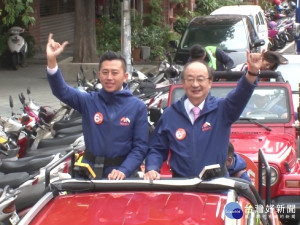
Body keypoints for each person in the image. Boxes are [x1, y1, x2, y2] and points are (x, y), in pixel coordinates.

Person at [144, 50, 263, 180]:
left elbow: (241, 94)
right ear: (183, 83)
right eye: (190, 79)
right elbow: (157, 148)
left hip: (217, 186)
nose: (195, 84)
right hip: (182, 187)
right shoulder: (170, 115)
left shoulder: (223, 109)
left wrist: (252, 72)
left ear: (210, 82)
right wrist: (152, 168)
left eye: (200, 79)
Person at [46, 33, 149, 180]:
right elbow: (61, 90)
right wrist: (51, 61)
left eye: (115, 73)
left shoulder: (137, 107)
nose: (109, 77)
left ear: (125, 77)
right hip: (90, 174)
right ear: (99, 74)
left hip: (122, 177)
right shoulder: (89, 101)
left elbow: (140, 147)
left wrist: (124, 170)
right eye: (105, 72)